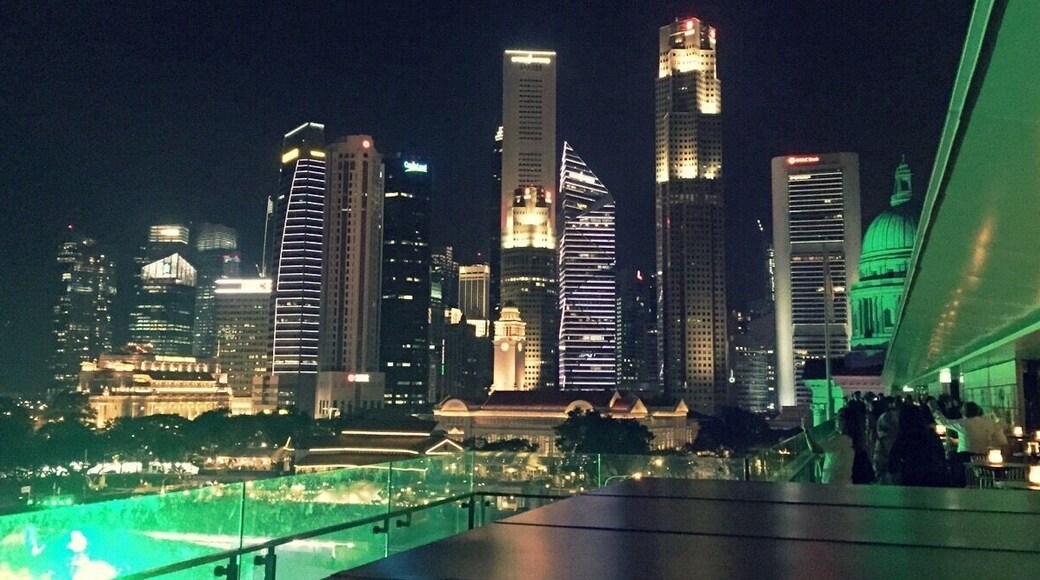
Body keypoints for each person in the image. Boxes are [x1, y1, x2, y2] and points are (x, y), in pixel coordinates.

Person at [927, 399, 1008, 486]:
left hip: (964, 458)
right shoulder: (989, 423)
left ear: (964, 412)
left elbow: (943, 421)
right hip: (983, 457)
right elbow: (1002, 425)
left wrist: (935, 409)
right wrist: (997, 415)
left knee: (956, 467)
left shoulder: (963, 423)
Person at [888, 405, 950, 487]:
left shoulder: (905, 437)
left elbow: (893, 461)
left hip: (911, 477)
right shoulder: (931, 435)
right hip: (933, 477)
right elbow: (941, 455)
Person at [802, 410, 855, 485]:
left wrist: (806, 431)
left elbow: (814, 448)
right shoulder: (846, 439)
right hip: (839, 484)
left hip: (835, 485)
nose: (836, 420)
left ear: (846, 422)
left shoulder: (841, 440)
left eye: (838, 418)